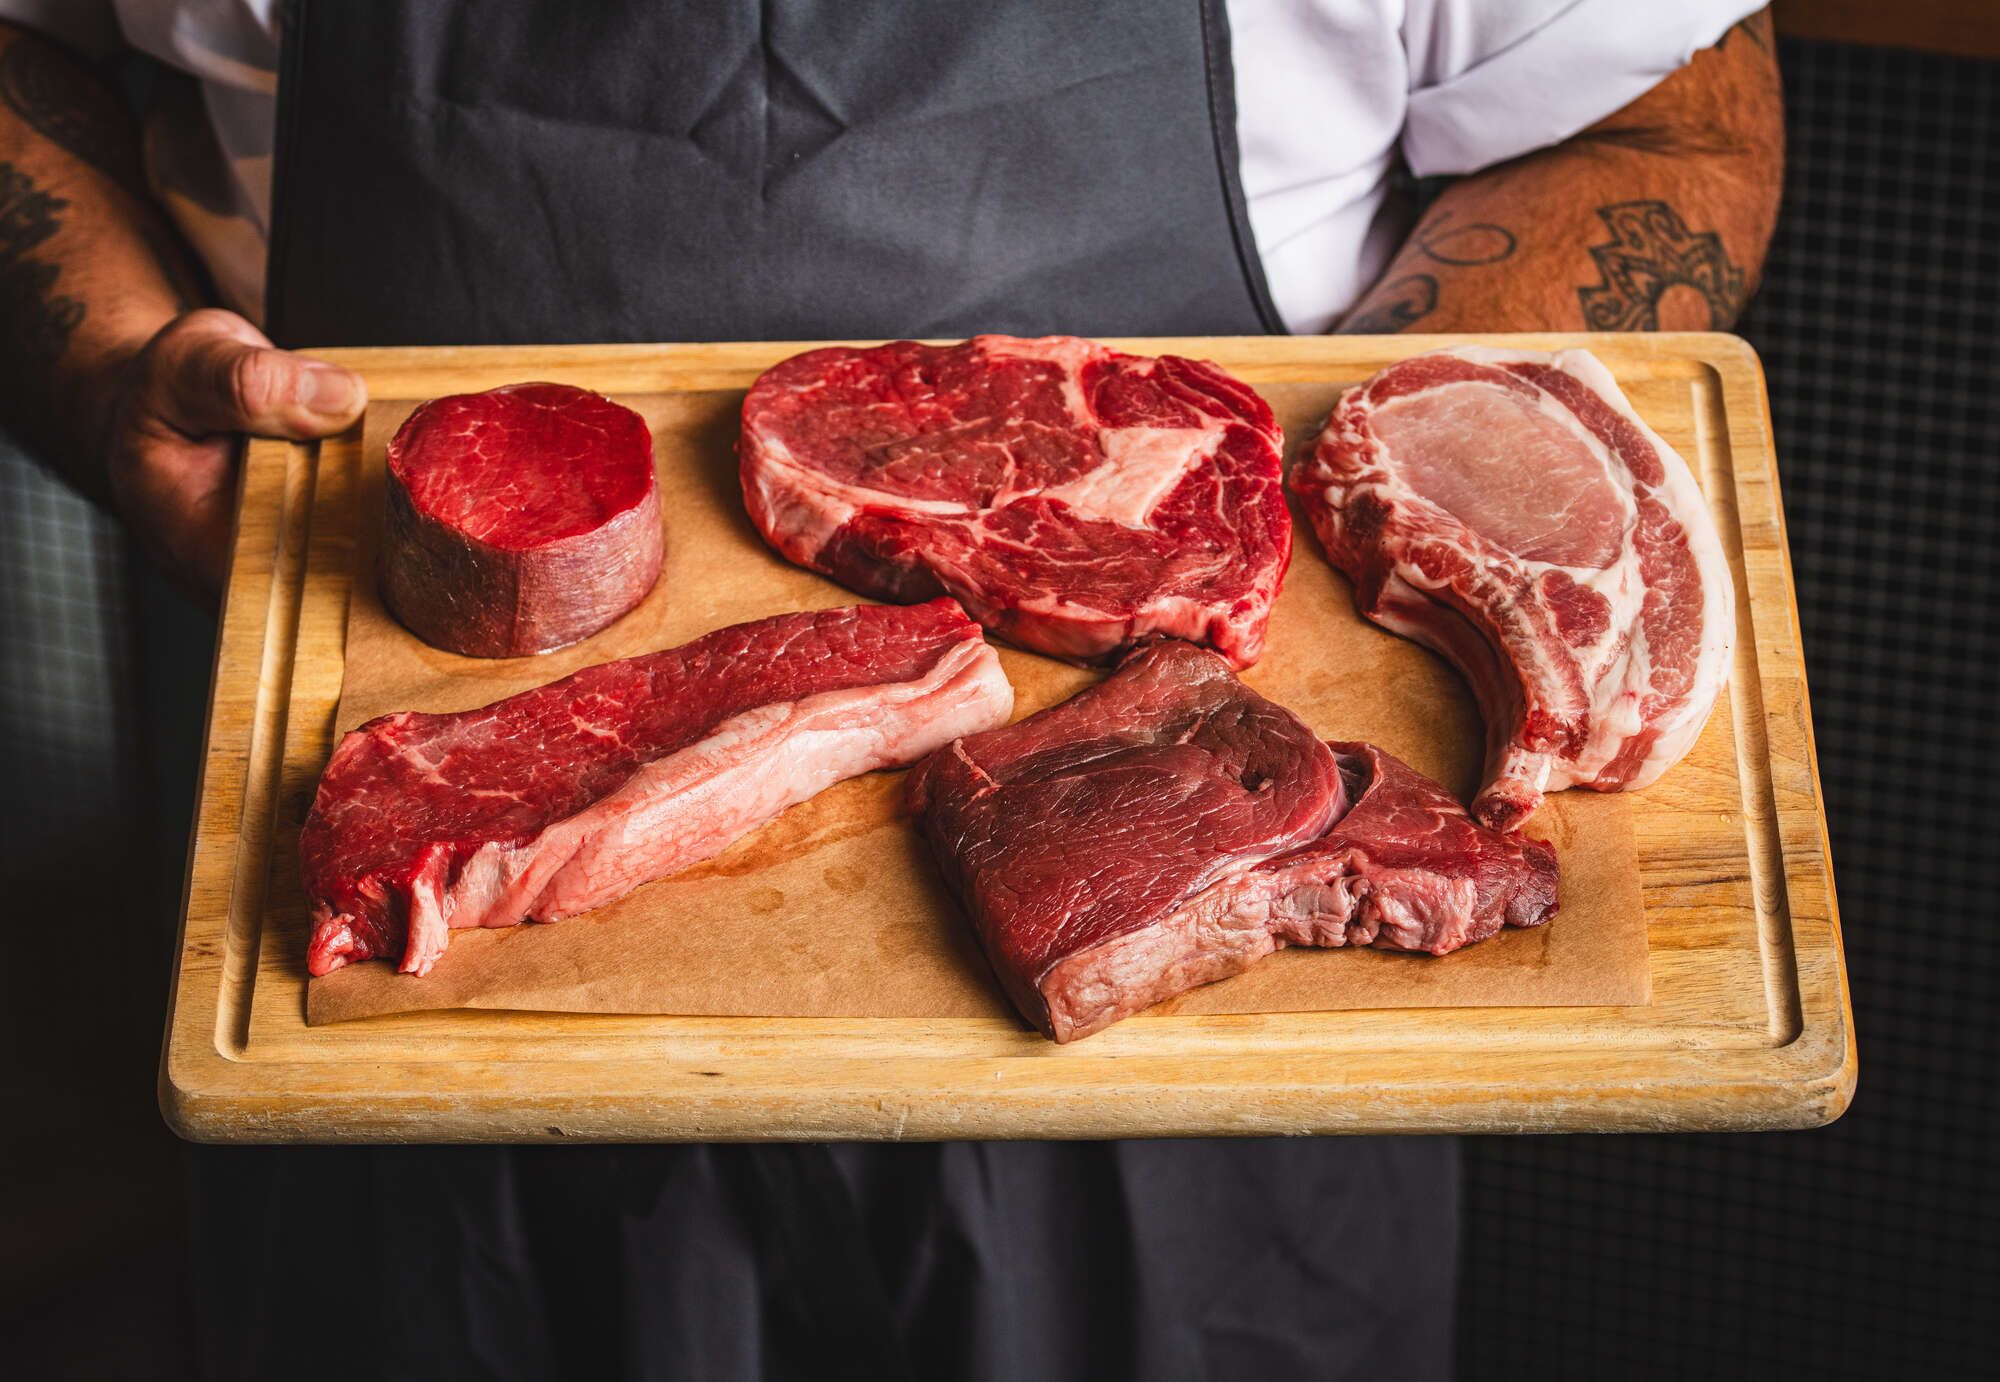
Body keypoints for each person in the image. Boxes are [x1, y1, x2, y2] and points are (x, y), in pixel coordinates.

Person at [0, 3, 1783, 1378]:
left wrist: (1386, 485)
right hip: (414, 1094)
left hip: (1217, 1002)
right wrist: (101, 369)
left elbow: (1669, 111)